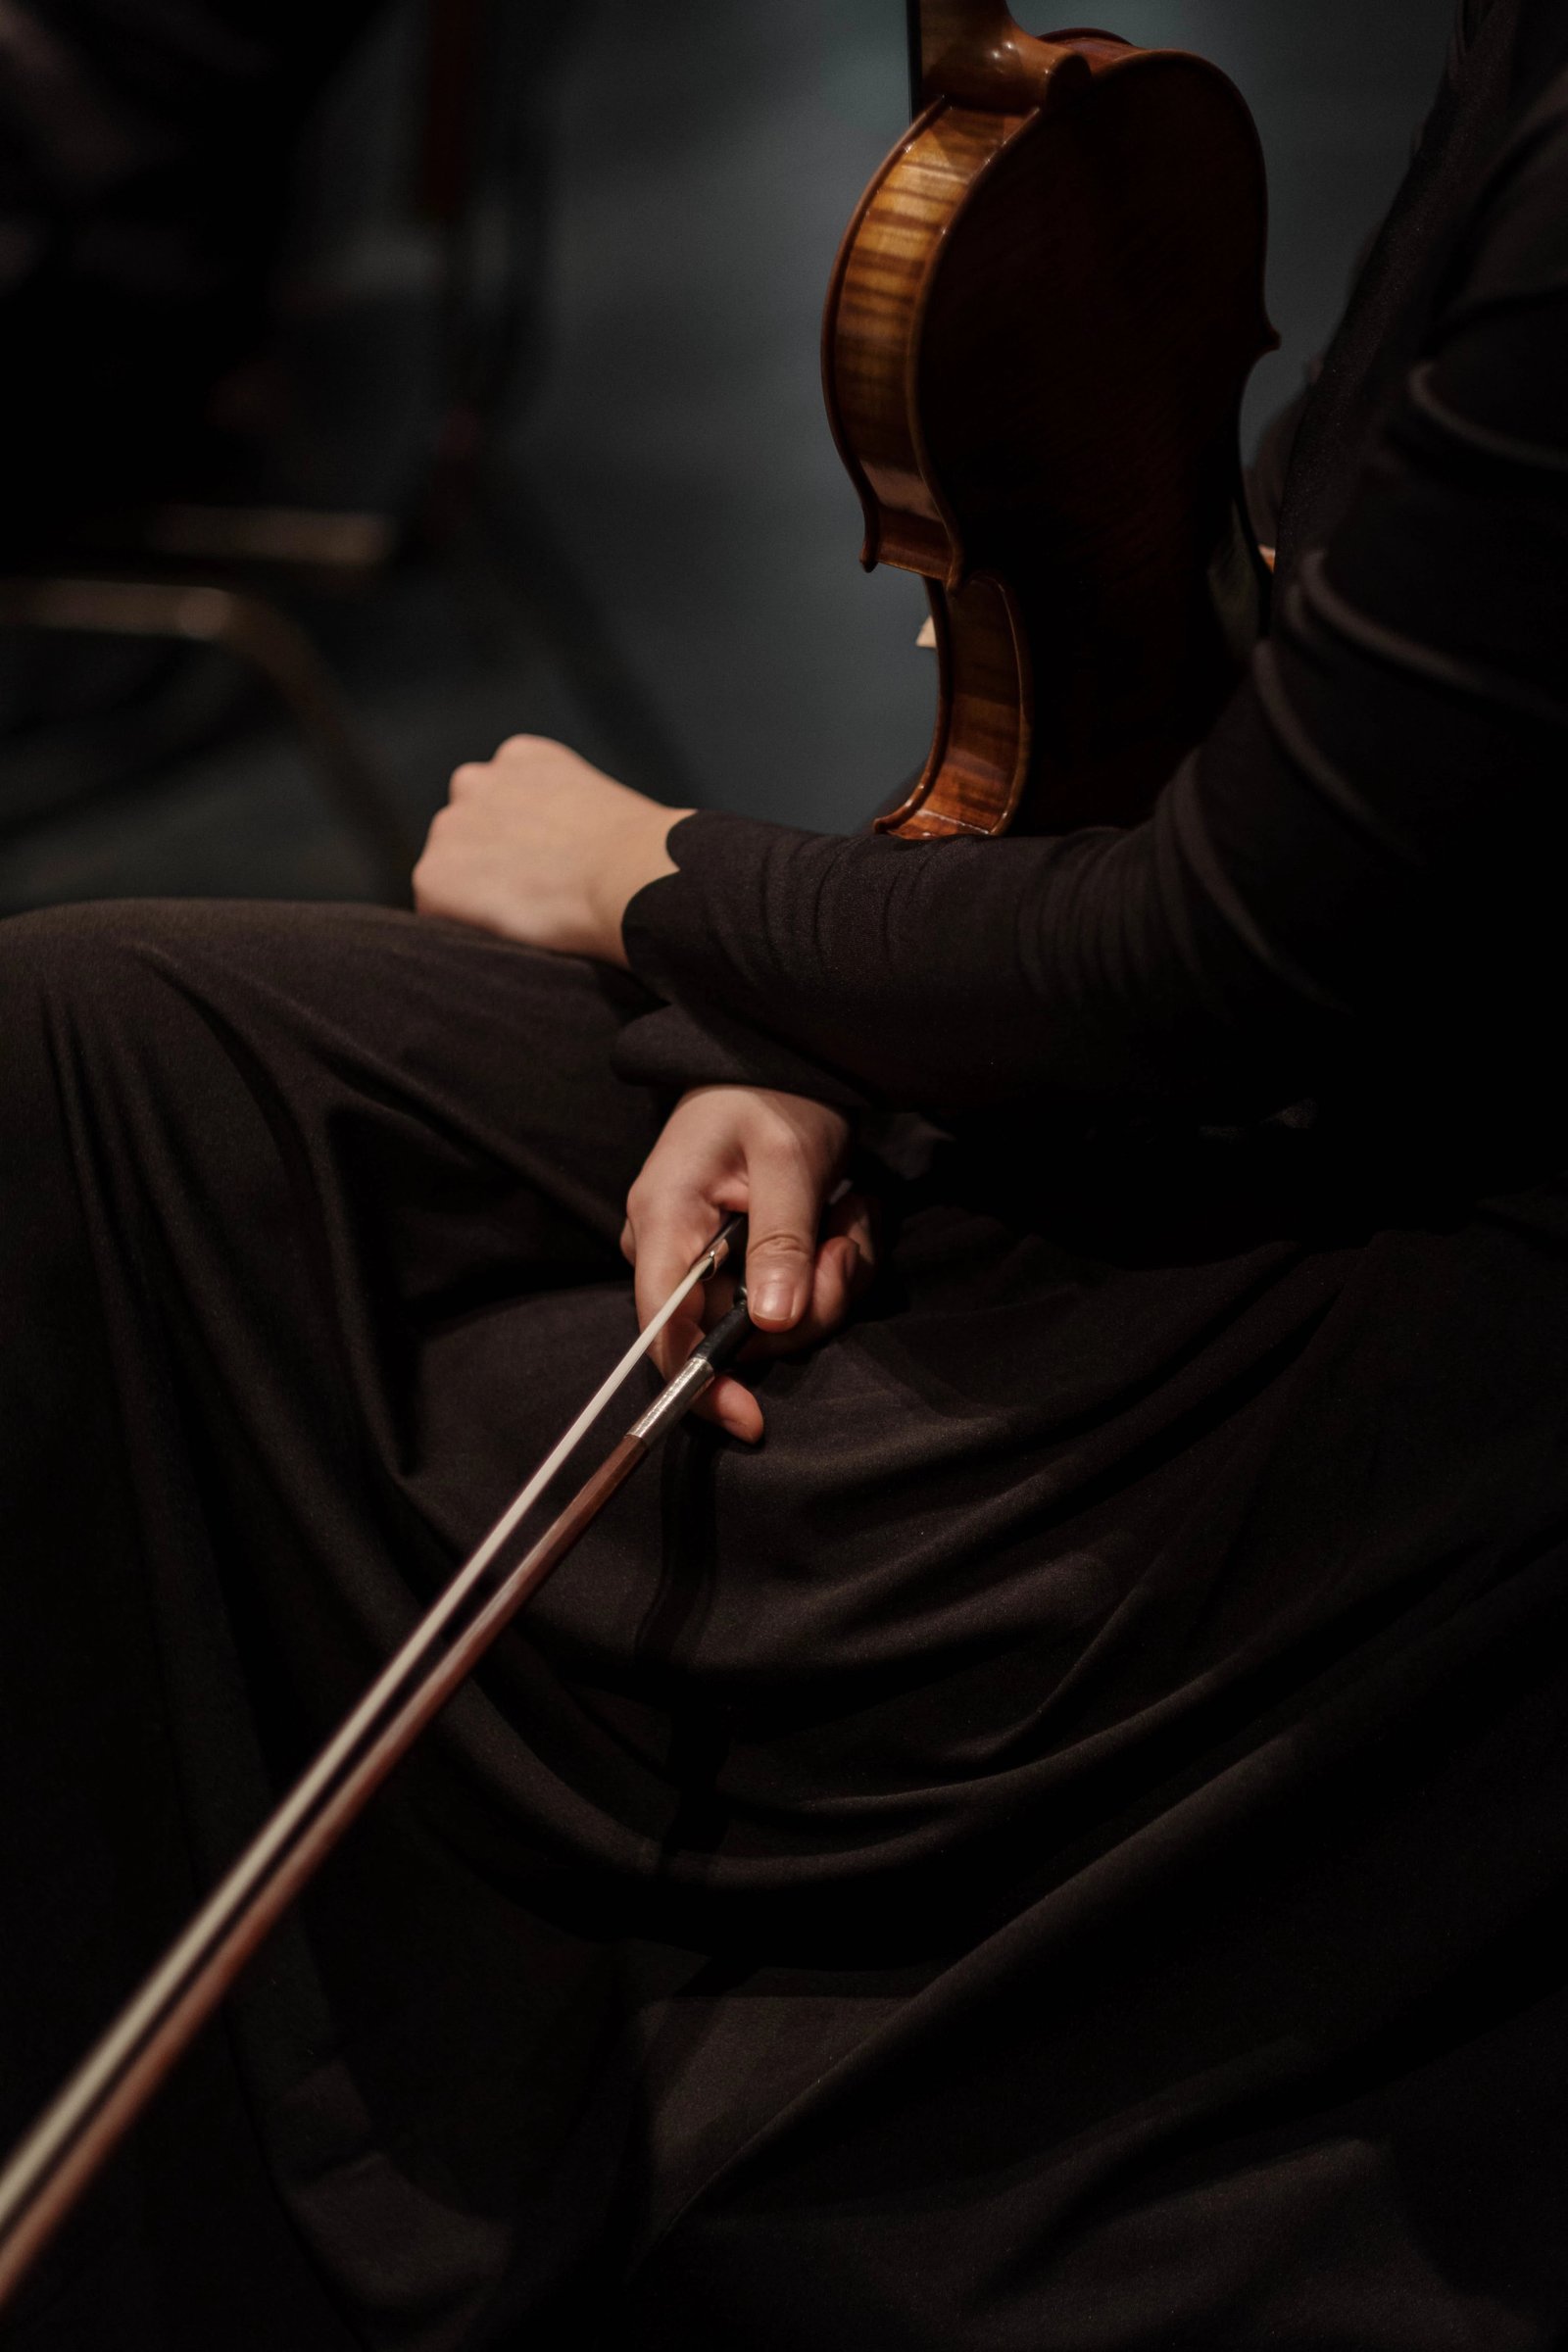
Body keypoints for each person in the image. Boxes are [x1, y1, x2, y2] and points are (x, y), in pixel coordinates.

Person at [4, 0, 1568, 2343]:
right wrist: (808, 1027)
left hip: (1410, 1298)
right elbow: (1294, 730)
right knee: (90, 1046)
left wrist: (659, 880)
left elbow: (1240, 956)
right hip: (1195, 1050)